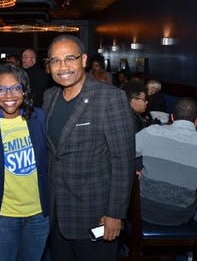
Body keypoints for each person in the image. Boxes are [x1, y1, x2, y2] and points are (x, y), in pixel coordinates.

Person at [43, 35, 135, 261]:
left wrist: (115, 213)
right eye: (55, 61)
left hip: (94, 214)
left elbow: (122, 160)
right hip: (56, 213)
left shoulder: (110, 97)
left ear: (83, 60)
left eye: (69, 58)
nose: (62, 66)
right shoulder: (49, 96)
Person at [0, 63, 49, 261]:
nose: (9, 95)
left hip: (39, 215)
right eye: (1, 89)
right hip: (2, 217)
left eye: (16, 88)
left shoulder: (39, 118)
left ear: (24, 91)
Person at [135, 97, 197, 227]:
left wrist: (136, 171)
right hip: (179, 215)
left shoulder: (150, 132)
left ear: (172, 117)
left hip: (142, 207)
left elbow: (122, 154)